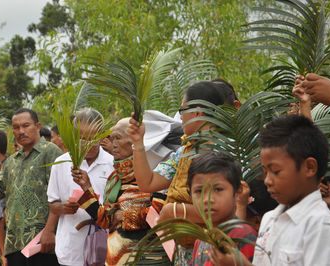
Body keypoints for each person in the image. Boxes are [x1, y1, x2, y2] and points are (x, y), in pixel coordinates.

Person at [215, 115, 330, 266]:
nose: (267, 181)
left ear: (309, 168)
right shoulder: (269, 219)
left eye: (276, 171)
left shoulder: (320, 225)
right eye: (266, 172)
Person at [128, 81, 227, 264]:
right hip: (184, 252)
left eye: (182, 111)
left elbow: (226, 208)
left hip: (214, 251)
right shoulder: (185, 152)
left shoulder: (227, 151)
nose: (180, 118)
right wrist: (138, 143)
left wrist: (173, 210)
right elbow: (147, 183)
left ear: (197, 111)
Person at [0, 108, 63, 266]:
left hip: (42, 243)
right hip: (15, 244)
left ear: (38, 126)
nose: (21, 131)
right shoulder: (12, 161)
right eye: (16, 127)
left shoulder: (51, 152)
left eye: (26, 125)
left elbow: (59, 196)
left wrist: (49, 231)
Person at [73, 118, 168, 265]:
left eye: (118, 138)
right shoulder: (115, 178)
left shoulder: (156, 174)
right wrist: (86, 187)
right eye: (112, 138)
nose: (113, 144)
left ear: (136, 141)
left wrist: (124, 215)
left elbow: (160, 217)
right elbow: (106, 222)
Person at [43, 108, 114, 266]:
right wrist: (63, 207)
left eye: (94, 138)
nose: (90, 144)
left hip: (106, 250)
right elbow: (52, 204)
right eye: (83, 139)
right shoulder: (61, 164)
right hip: (71, 251)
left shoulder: (113, 163)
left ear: (102, 135)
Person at [187, 152, 257, 265]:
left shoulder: (244, 236)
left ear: (237, 191)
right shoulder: (202, 240)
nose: (207, 199)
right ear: (190, 194)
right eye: (199, 191)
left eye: (218, 189)